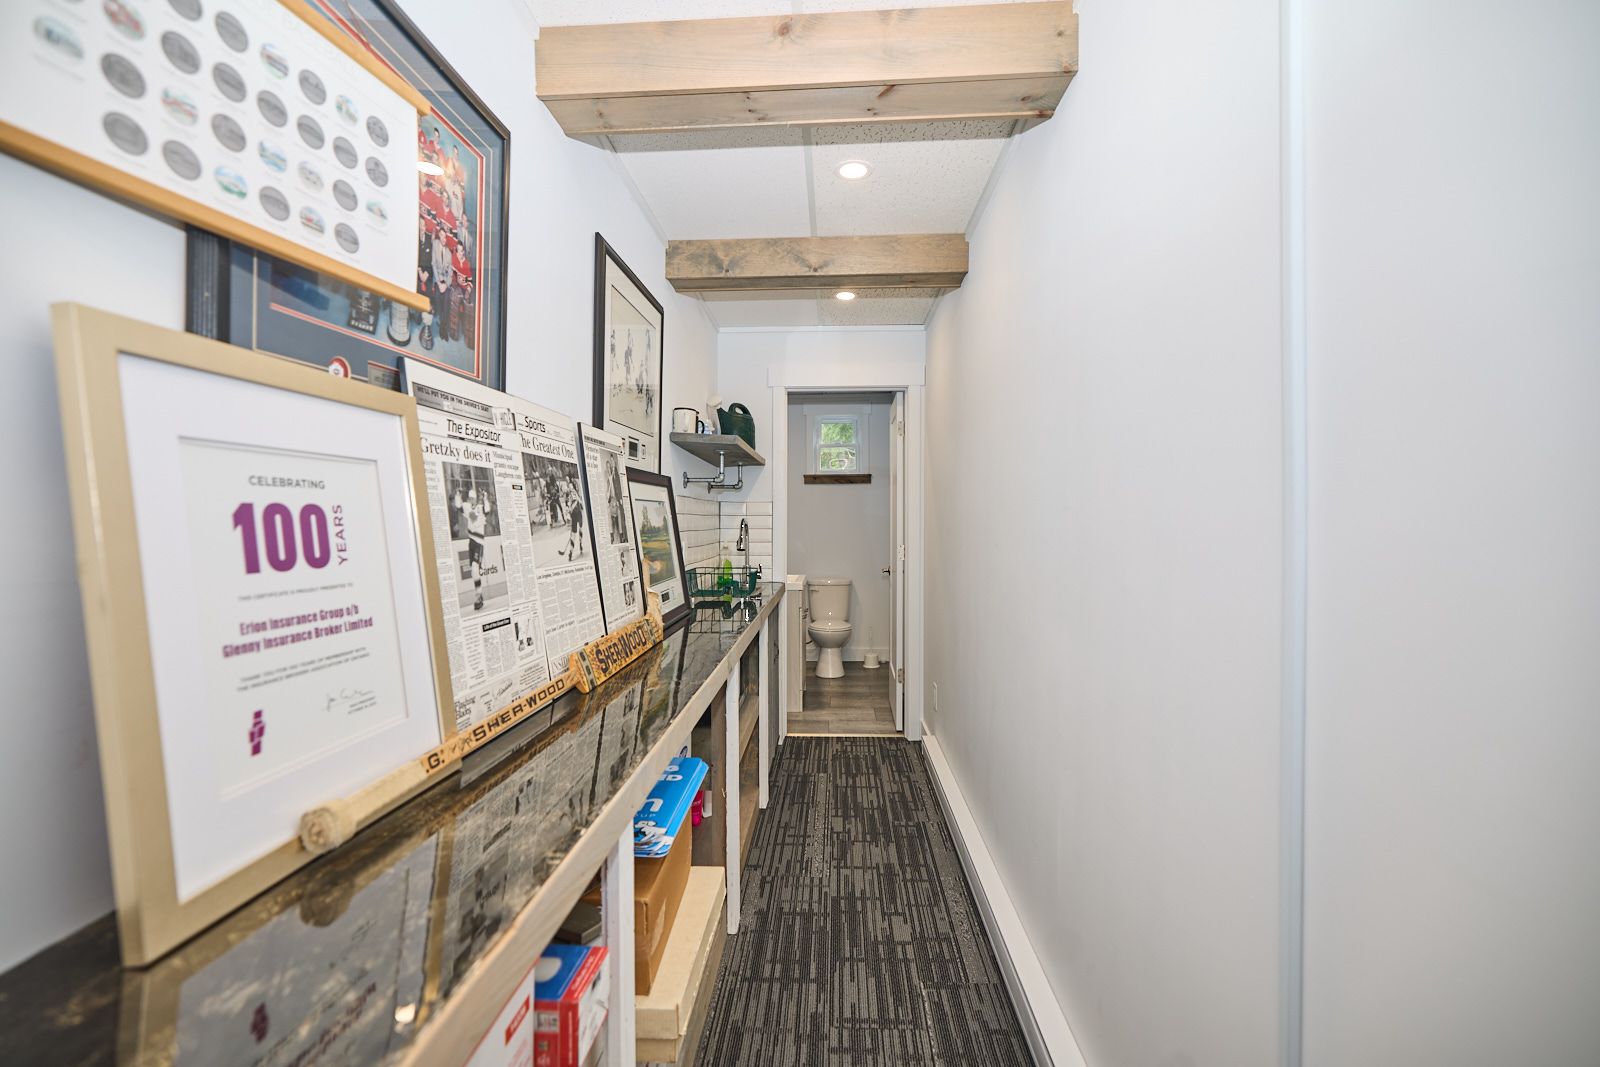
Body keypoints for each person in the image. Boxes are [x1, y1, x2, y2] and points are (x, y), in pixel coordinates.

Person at [465, 487, 488, 610]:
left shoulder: (479, 508)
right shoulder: (469, 510)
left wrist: (485, 498)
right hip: (471, 542)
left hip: (479, 543)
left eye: (472, 498)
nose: (471, 500)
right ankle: (479, 594)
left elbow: (486, 509)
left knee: (475, 568)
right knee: (474, 572)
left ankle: (478, 596)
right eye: (470, 498)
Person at [562, 484, 584, 560]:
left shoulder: (571, 493)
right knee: (575, 533)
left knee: (577, 532)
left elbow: (578, 502)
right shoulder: (570, 494)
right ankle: (571, 552)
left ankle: (578, 546)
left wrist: (568, 513)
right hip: (576, 515)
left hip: (577, 514)